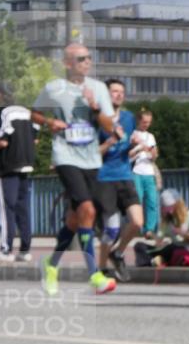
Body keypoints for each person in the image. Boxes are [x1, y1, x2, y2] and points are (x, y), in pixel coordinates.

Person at [31, 43, 117, 295]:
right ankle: (94, 274)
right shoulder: (54, 88)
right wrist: (49, 121)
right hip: (65, 156)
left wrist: (95, 108)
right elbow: (33, 113)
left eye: (89, 58)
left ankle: (51, 263)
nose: (87, 62)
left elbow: (110, 127)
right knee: (87, 210)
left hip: (91, 158)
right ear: (68, 63)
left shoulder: (99, 89)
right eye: (81, 59)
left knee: (75, 218)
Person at [95, 79, 144, 282]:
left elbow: (128, 144)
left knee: (137, 222)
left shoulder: (128, 117)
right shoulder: (98, 120)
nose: (119, 95)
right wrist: (111, 140)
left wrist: (134, 143)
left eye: (121, 91)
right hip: (104, 178)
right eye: (114, 91)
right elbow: (91, 154)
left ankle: (118, 252)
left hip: (125, 175)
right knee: (112, 227)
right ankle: (100, 268)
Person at [0, 85, 38, 262]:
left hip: (6, 167)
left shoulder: (2, 113)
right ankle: (25, 250)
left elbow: (2, 142)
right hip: (26, 165)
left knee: (5, 208)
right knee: (22, 209)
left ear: (0, 95)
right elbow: (36, 138)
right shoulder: (26, 112)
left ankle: (5, 250)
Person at [130, 109, 159, 239]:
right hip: (136, 171)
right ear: (138, 121)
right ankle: (137, 227)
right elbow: (128, 154)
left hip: (148, 171)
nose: (146, 124)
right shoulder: (132, 134)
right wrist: (138, 148)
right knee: (138, 201)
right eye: (144, 122)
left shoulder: (150, 136)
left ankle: (149, 229)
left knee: (152, 201)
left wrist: (152, 153)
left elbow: (155, 154)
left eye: (149, 122)